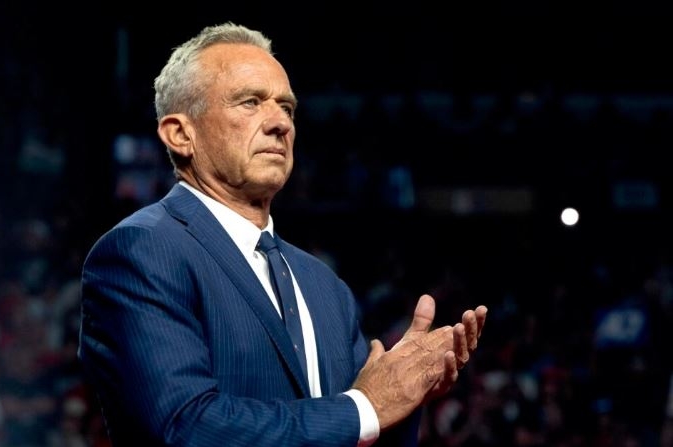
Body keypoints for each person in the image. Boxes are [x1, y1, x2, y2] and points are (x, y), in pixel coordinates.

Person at [77, 21, 488, 446]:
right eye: (250, 102)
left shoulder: (325, 286)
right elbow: (186, 428)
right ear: (181, 134)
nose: (280, 124)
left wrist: (405, 399)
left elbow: (355, 428)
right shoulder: (141, 252)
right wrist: (367, 407)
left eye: (287, 108)